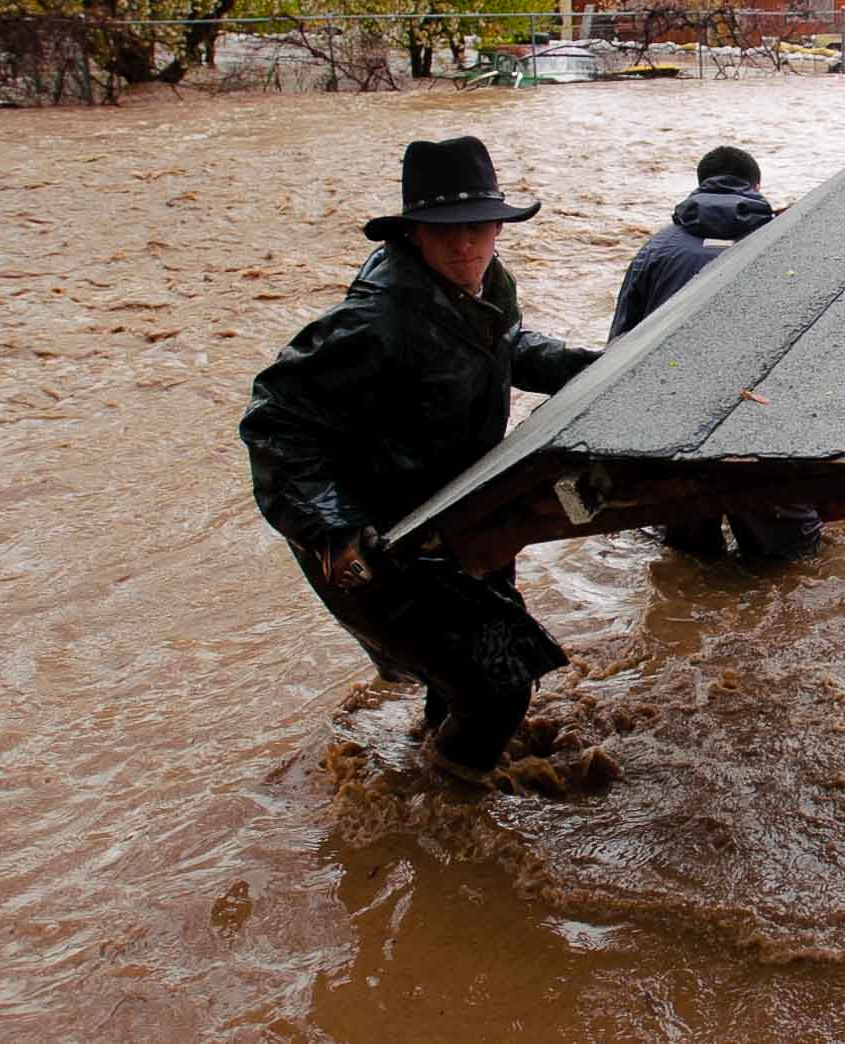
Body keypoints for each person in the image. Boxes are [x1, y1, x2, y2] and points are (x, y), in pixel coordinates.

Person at [239, 137, 601, 781]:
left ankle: (433, 750)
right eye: (445, 233)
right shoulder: (375, 323)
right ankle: (447, 810)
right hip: (377, 539)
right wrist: (336, 535)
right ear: (413, 235)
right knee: (499, 687)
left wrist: (585, 369)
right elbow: (275, 424)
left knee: (477, 659)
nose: (465, 246)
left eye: (478, 228)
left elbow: (507, 346)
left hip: (461, 512)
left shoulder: (486, 286)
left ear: (498, 226)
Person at [608, 145, 823, 560]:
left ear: (699, 186)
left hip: (672, 428)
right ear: (756, 188)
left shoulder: (655, 250)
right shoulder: (788, 242)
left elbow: (618, 348)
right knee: (791, 564)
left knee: (687, 558)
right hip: (760, 426)